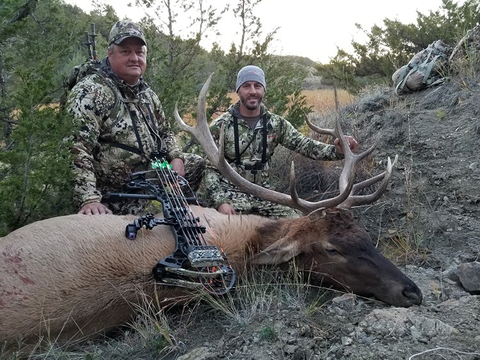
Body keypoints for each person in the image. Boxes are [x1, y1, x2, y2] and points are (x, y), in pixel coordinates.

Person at [67, 20, 204, 215]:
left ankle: (169, 209)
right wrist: (89, 199)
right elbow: (75, 148)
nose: (134, 58)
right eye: (125, 52)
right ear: (110, 53)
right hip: (113, 189)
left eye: (139, 52)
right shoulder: (91, 92)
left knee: (195, 164)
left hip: (147, 175)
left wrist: (176, 157)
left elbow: (165, 132)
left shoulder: (146, 93)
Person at [196, 65, 358, 218]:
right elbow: (210, 170)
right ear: (238, 90)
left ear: (264, 90)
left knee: (296, 223)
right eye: (246, 86)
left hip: (264, 197)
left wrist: (337, 150)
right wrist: (220, 202)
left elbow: (306, 146)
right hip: (229, 195)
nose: (252, 91)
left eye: (257, 86)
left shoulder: (276, 124)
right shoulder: (220, 126)